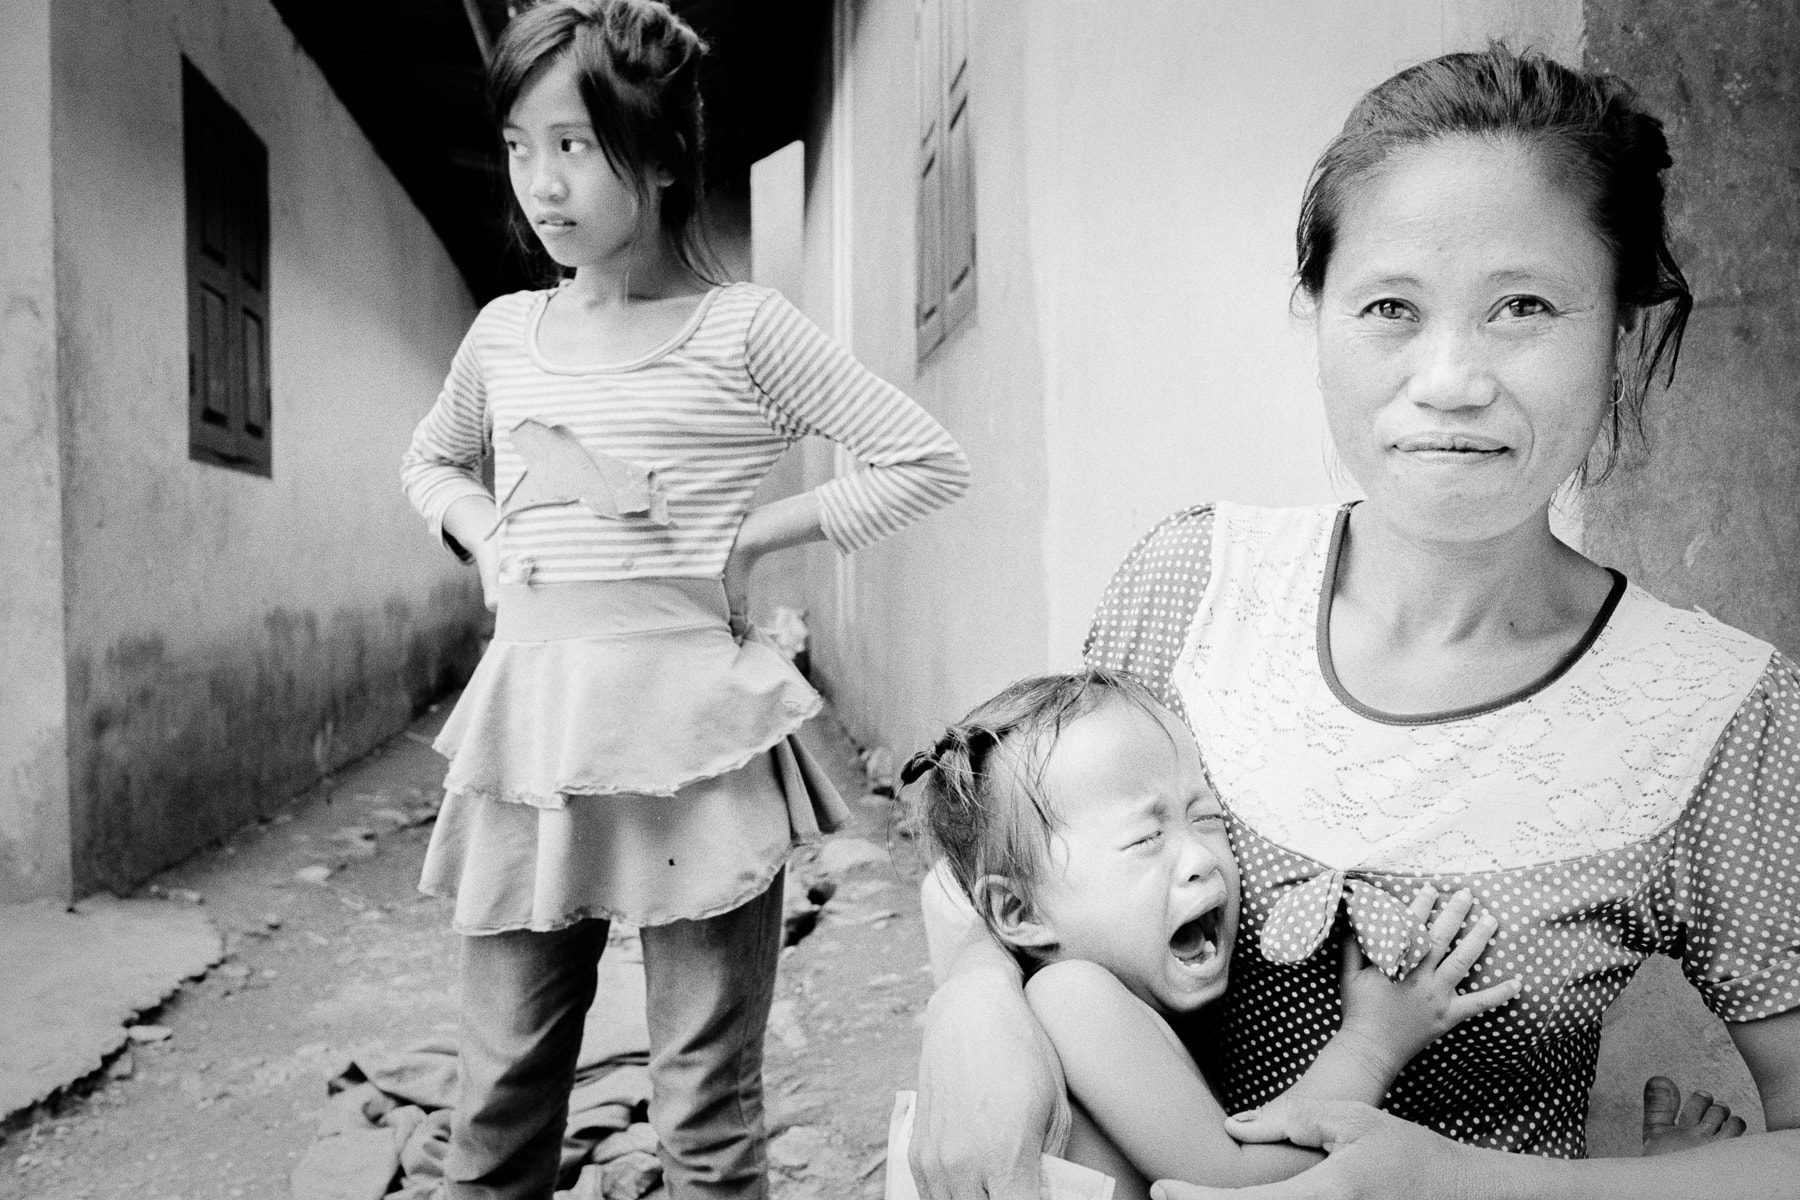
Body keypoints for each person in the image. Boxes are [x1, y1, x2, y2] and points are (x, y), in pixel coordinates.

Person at [910, 44, 1800, 1200]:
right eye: (1390, 306)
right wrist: (975, 1002)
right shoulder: (1192, 588)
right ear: (1317, 315)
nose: (1451, 378)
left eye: (1522, 307)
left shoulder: (1718, 714)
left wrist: (1471, 1186)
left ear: (1622, 332)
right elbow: (1018, 843)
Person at [400, 3, 970, 1197]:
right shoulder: (505, 335)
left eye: (573, 144)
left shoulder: (742, 329)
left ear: (656, 153)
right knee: (498, 1105)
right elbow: (433, 462)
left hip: (693, 738)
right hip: (535, 738)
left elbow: (924, 459)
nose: (539, 184)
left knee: (705, 1117)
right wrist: (487, 532)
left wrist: (756, 537)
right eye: (517, 146)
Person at [904, 669, 1520, 1199]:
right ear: (1017, 912)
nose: (1200, 856)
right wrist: (1374, 1041)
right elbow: (1237, 1185)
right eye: (1145, 838)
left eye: (1208, 818)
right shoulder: (1071, 996)